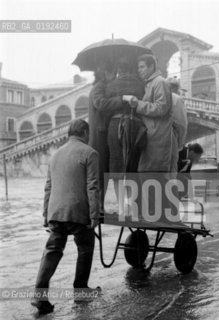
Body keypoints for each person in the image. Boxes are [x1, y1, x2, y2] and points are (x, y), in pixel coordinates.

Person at [31, 119, 100, 314]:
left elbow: (48, 187)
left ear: (69, 133)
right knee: (86, 245)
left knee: (52, 250)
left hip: (56, 212)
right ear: (85, 132)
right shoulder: (90, 153)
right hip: (77, 211)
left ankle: (39, 296)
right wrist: (94, 215)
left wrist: (46, 214)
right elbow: (92, 185)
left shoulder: (55, 155)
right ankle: (80, 289)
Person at [123, 54, 176, 221]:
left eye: (142, 67)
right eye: (138, 68)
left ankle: (159, 214)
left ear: (152, 66)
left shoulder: (160, 83)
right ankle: (156, 213)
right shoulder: (150, 84)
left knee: (152, 175)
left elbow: (162, 108)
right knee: (148, 175)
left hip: (157, 137)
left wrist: (137, 104)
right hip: (152, 137)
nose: (139, 71)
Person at [105, 57, 144, 200]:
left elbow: (106, 107)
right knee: (132, 166)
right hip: (135, 125)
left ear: (118, 70)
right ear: (130, 69)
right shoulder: (140, 85)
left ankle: (122, 209)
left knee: (116, 167)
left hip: (115, 125)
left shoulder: (110, 86)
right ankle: (133, 207)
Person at [88, 65, 116, 214]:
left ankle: (99, 207)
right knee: (100, 173)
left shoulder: (98, 87)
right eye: (112, 71)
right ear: (104, 72)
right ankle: (98, 208)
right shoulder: (99, 87)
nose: (115, 74)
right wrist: (119, 100)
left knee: (102, 173)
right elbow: (101, 104)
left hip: (100, 135)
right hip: (100, 136)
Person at [167, 77, 188, 175]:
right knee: (171, 170)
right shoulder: (176, 99)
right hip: (170, 137)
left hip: (154, 138)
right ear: (176, 89)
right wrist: (180, 144)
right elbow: (182, 124)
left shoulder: (155, 97)